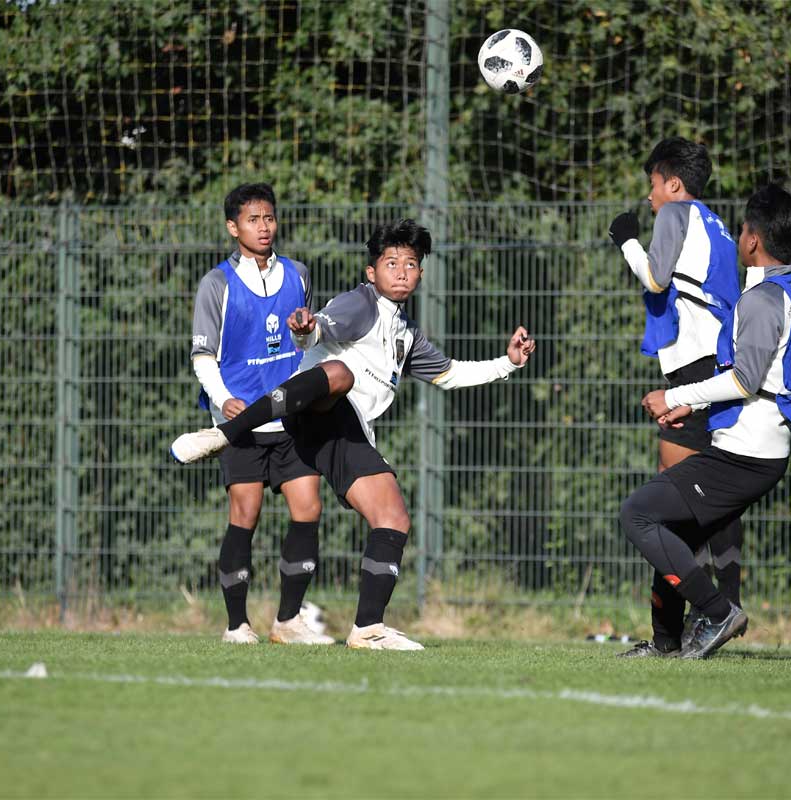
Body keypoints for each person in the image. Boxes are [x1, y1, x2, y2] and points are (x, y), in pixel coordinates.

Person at [172, 218, 537, 650]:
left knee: (393, 519)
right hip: (312, 411)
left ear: (420, 274)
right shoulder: (359, 304)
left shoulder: (405, 334)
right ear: (371, 271)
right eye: (391, 262)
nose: (401, 271)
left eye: (411, 264)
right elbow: (318, 331)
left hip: (345, 431)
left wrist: (509, 362)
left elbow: (450, 374)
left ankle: (367, 629)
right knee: (340, 373)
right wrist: (305, 331)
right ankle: (225, 434)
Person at [621, 184, 791, 659]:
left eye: (744, 229)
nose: (740, 236)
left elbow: (746, 380)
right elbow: (757, 378)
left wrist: (676, 394)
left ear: (753, 240)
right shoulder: (782, 290)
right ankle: (666, 643)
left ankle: (718, 611)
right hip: (753, 448)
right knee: (672, 530)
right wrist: (694, 406)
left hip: (746, 454)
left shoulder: (763, 299)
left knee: (638, 513)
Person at [607, 137, 745, 658]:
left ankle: (689, 628)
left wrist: (626, 239)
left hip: (694, 373)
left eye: (653, 185)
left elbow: (654, 277)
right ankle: (720, 610)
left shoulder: (675, 214)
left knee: (666, 511)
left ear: (674, 183)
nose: (649, 197)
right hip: (721, 368)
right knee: (714, 504)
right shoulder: (718, 225)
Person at [184, 182, 332, 646]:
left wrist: (306, 334)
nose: (263, 227)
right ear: (233, 227)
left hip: (292, 419)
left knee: (308, 507)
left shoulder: (298, 274)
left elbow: (306, 343)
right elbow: (203, 355)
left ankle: (288, 622)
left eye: (268, 217)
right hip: (243, 422)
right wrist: (224, 399)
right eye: (252, 219)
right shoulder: (216, 284)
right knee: (245, 514)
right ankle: (236, 626)